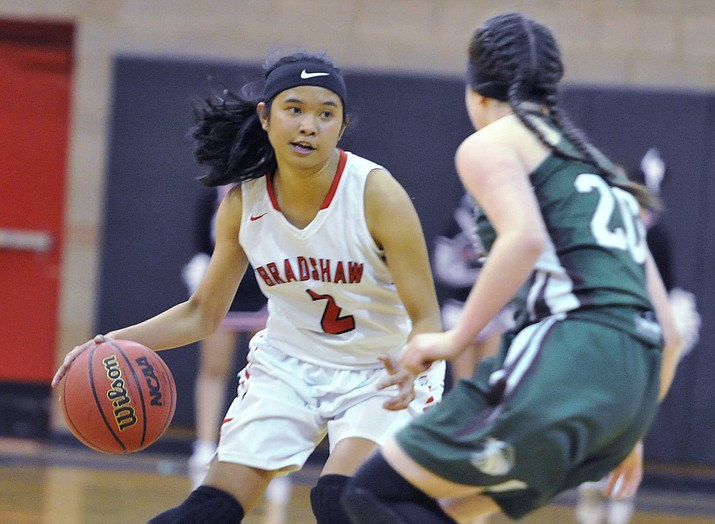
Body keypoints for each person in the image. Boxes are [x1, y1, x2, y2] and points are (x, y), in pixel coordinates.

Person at [52, 50, 445, 524]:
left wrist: (414, 360)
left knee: (343, 499)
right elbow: (202, 313)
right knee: (208, 509)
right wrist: (109, 344)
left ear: (341, 127)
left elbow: (426, 317)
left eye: (326, 114)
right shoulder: (244, 203)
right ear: (265, 116)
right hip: (290, 366)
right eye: (294, 109)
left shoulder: (376, 194)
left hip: (382, 368)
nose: (309, 125)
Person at [341, 12, 682, 524]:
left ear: (476, 91)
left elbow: (523, 239)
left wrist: (452, 341)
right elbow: (670, 331)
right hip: (634, 386)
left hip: (572, 357)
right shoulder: (598, 171)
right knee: (448, 511)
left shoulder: (491, 142)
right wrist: (628, 428)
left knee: (372, 493)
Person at [575, 150, 701, 524]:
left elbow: (671, 317)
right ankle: (592, 481)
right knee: (598, 408)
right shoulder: (598, 233)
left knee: (626, 408)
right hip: (603, 329)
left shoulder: (651, 237)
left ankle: (619, 483)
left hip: (640, 333)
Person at [183, 185, 292, 524]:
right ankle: (203, 451)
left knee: (268, 376)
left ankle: (272, 461)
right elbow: (202, 244)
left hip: (267, 290)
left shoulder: (281, 188)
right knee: (214, 370)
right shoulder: (215, 194)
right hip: (224, 291)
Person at [432, 192, 513, 388]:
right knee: (464, 383)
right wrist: (479, 276)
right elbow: (442, 269)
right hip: (460, 310)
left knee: (491, 382)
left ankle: (488, 418)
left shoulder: (508, 223)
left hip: (496, 313)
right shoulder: (455, 225)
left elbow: (516, 265)